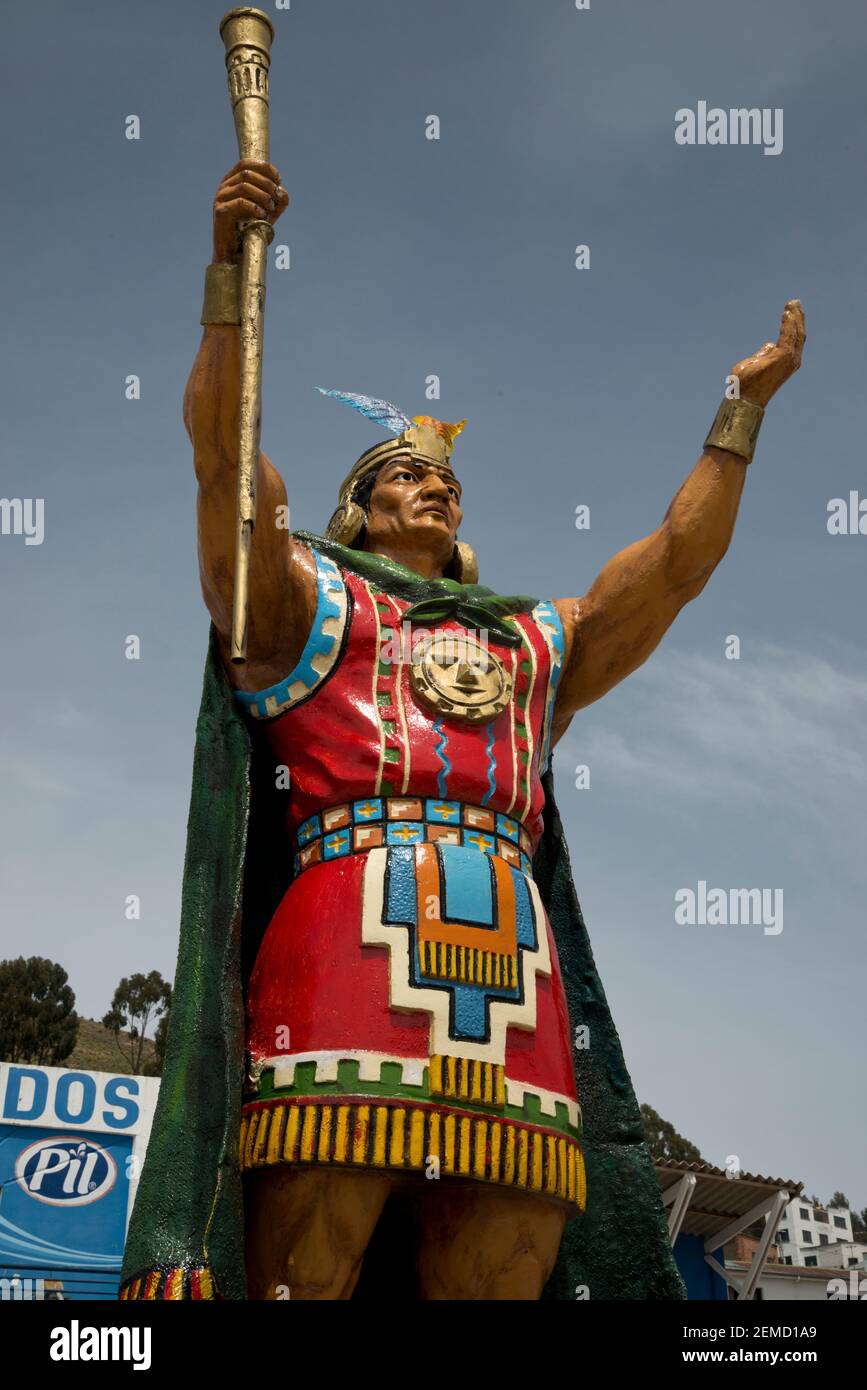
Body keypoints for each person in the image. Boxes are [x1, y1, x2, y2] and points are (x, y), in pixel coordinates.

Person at [119, 157, 804, 1302]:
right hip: (343, 942)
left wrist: (740, 413)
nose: (433, 485)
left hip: (512, 972)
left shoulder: (531, 645)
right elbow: (224, 461)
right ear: (358, 508)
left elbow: (677, 568)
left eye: (443, 478)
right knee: (305, 1266)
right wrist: (234, 269)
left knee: (505, 1265)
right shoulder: (301, 606)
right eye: (402, 474)